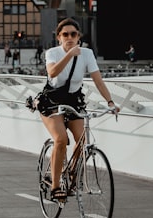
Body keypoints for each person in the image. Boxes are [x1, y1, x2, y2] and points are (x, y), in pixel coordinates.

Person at [37, 18, 118, 202]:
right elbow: (52, 73)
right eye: (65, 34)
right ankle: (56, 185)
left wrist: (110, 102)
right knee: (60, 139)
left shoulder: (87, 54)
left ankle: (73, 175)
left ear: (79, 37)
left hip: (74, 101)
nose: (69, 37)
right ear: (59, 38)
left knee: (82, 140)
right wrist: (69, 55)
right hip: (52, 102)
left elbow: (98, 80)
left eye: (73, 34)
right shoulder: (53, 53)